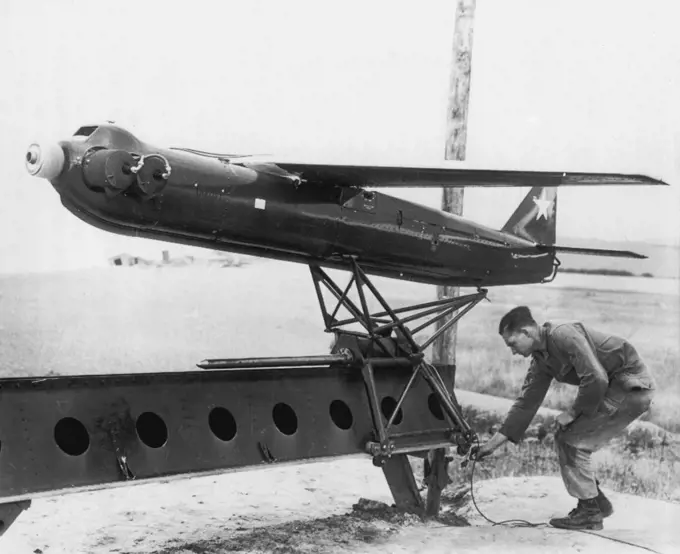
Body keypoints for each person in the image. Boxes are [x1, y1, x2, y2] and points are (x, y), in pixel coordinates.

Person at [474, 306, 656, 530]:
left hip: (631, 386)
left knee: (572, 440)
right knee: (566, 436)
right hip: (614, 388)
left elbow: (596, 378)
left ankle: (590, 513)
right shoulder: (542, 359)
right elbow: (526, 404)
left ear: (527, 332)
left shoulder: (562, 334)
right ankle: (595, 503)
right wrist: (492, 445)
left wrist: (572, 413)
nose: (512, 351)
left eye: (512, 343)